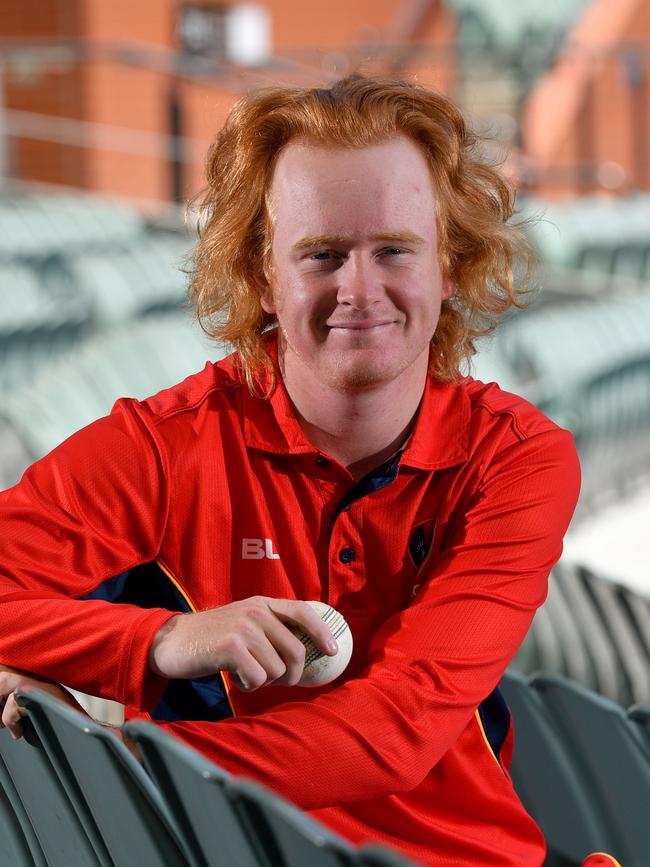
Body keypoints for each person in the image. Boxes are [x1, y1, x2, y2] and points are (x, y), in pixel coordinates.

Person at [0, 75, 580, 866]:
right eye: (323, 254)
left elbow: (397, 729)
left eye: (394, 251)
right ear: (263, 277)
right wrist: (162, 638)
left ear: (451, 268)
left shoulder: (516, 458)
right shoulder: (165, 446)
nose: (359, 289)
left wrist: (127, 765)